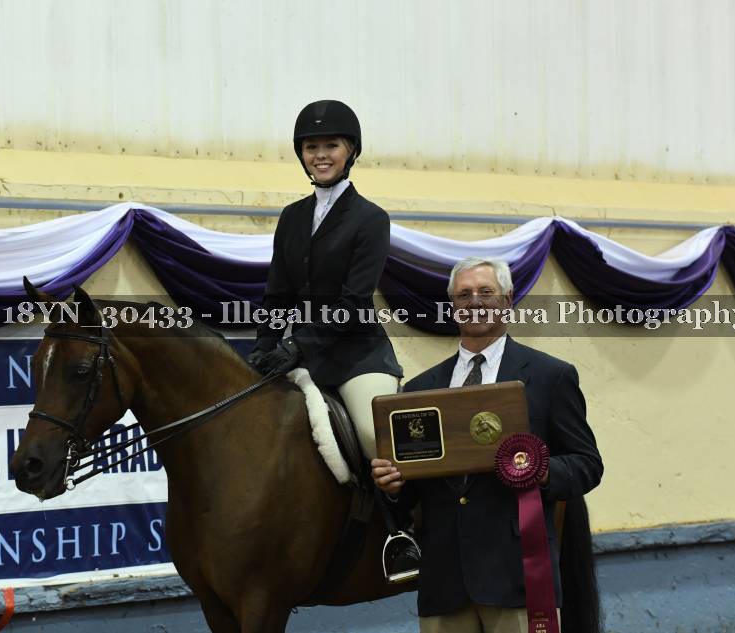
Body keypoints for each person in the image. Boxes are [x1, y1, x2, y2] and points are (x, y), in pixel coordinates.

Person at [371, 256, 603, 632]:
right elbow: (412, 491)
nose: (474, 302)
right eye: (463, 295)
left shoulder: (550, 376)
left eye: (485, 292)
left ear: (507, 300)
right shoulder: (418, 391)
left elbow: (587, 464)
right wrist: (394, 485)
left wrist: (540, 470)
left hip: (519, 579)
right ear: (453, 306)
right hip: (444, 584)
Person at [247, 99, 419, 582]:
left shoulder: (370, 218)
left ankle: (402, 533)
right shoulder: (292, 217)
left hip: (356, 357)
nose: (320, 155)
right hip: (299, 355)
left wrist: (298, 346)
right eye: (311, 147)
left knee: (372, 436)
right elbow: (278, 293)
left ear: (350, 152)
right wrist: (264, 345)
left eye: (331, 145)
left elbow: (353, 299)